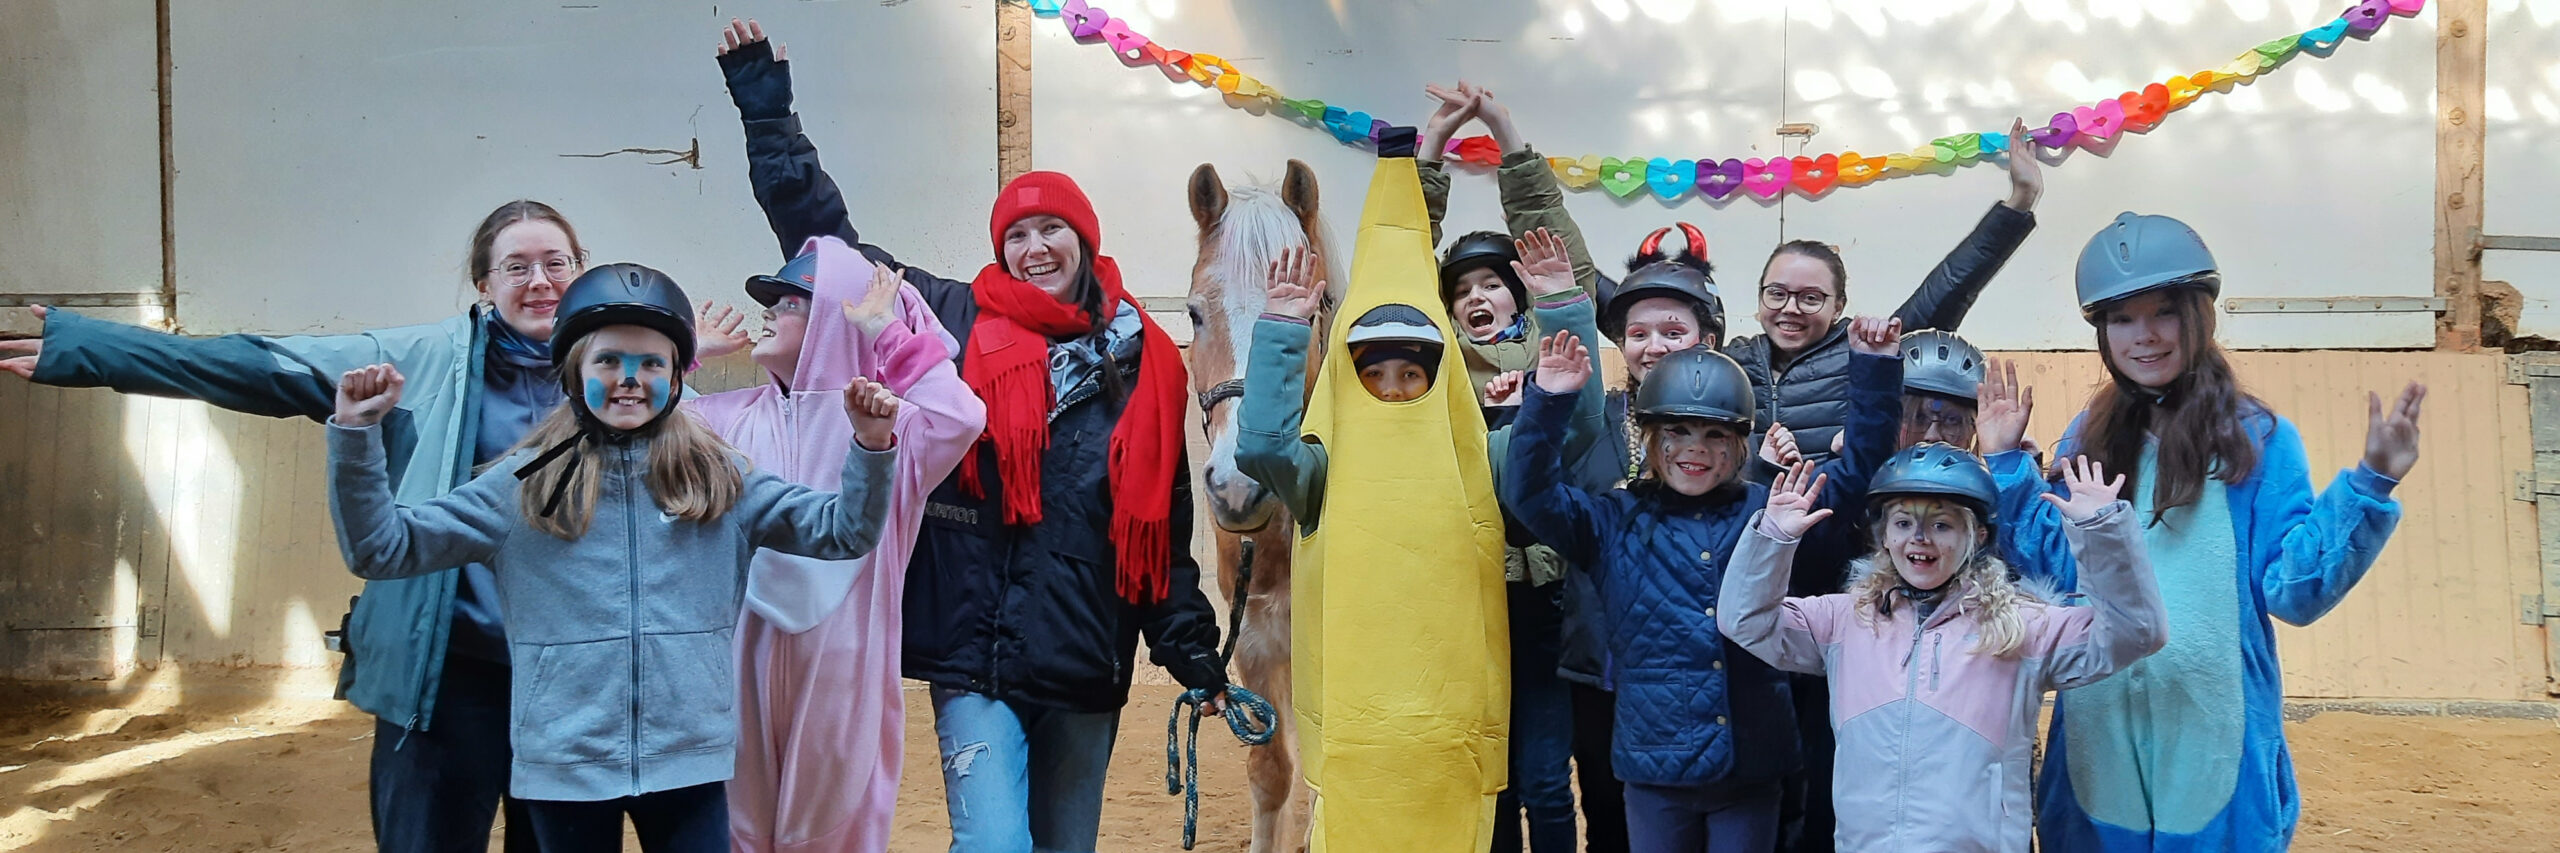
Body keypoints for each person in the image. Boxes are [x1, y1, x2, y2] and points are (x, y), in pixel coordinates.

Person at [714, 21, 1231, 852]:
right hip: (974, 656)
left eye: (1050, 230)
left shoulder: (1149, 366)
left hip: (1085, 659)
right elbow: (830, 243)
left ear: (1085, 240)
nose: (1032, 248)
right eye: (1014, 236)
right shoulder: (953, 318)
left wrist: (1191, 647)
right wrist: (767, 116)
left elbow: (1160, 533)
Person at [0, 200, 593, 852]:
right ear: (484, 283)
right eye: (516, 266)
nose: (539, 280)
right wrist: (95, 348)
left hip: (568, 677)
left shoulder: (621, 366)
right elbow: (259, 365)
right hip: (445, 670)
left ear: (581, 270)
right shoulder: (422, 358)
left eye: (554, 262)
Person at [322, 262, 896, 851]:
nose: (630, 379)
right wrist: (356, 436)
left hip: (689, 759)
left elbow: (843, 533)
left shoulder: (721, 478)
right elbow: (382, 548)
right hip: (565, 764)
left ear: (676, 377)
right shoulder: (522, 487)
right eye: (608, 361)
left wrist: (871, 448)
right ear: (574, 370)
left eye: (651, 362)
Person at [1979, 212, 2427, 852]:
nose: (2145, 336)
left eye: (2163, 312)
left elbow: (2294, 589)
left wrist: (2369, 484)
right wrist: (2006, 468)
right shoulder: (2088, 435)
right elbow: (2053, 566)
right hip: (2098, 734)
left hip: (2216, 739)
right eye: (2122, 319)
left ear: (2198, 316)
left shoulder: (2260, 440)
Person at [1503, 315, 1902, 851]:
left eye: (1715, 434)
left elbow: (1857, 480)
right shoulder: (1609, 520)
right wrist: (1547, 403)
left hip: (1753, 761)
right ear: (1650, 437)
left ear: (1740, 444)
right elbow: (1529, 494)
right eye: (1677, 432)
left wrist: (1874, 369)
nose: (1695, 448)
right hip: (1655, 767)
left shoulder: (1769, 509)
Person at [1234, 128, 1510, 851]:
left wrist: (1567, 320)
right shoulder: (1323, 469)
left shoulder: (1471, 461)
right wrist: (1282, 330)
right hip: (1358, 751)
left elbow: (1550, 449)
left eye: (1412, 374)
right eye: (1373, 373)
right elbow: (1263, 446)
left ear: (1438, 378)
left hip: (1449, 747)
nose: (1391, 387)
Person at [687, 239, 987, 852]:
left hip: (845, 680)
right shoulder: (726, 417)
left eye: (790, 300)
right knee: (733, 833)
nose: (770, 309)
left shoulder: (889, 424)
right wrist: (679, 355)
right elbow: (623, 423)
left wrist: (888, 334)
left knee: (833, 835)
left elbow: (960, 416)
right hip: (735, 669)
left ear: (831, 317)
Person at [1720, 448, 2167, 853]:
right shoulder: (1844, 620)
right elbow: (1746, 620)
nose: (1919, 538)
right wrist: (1771, 539)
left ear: (1977, 536)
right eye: (1902, 523)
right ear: (1884, 537)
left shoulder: (2019, 627)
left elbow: (2137, 632)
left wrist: (2101, 532)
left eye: (1941, 524)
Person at [1416, 81, 1607, 853]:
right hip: (1467, 603)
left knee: (1541, 780)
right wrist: (1428, 155)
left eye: (1494, 281)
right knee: (1484, 779)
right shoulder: (1429, 371)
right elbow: (1391, 279)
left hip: (1550, 607)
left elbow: (1567, 273)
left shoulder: (1557, 352)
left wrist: (1506, 135)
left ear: (1521, 297)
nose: (1478, 295)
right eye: (1462, 290)